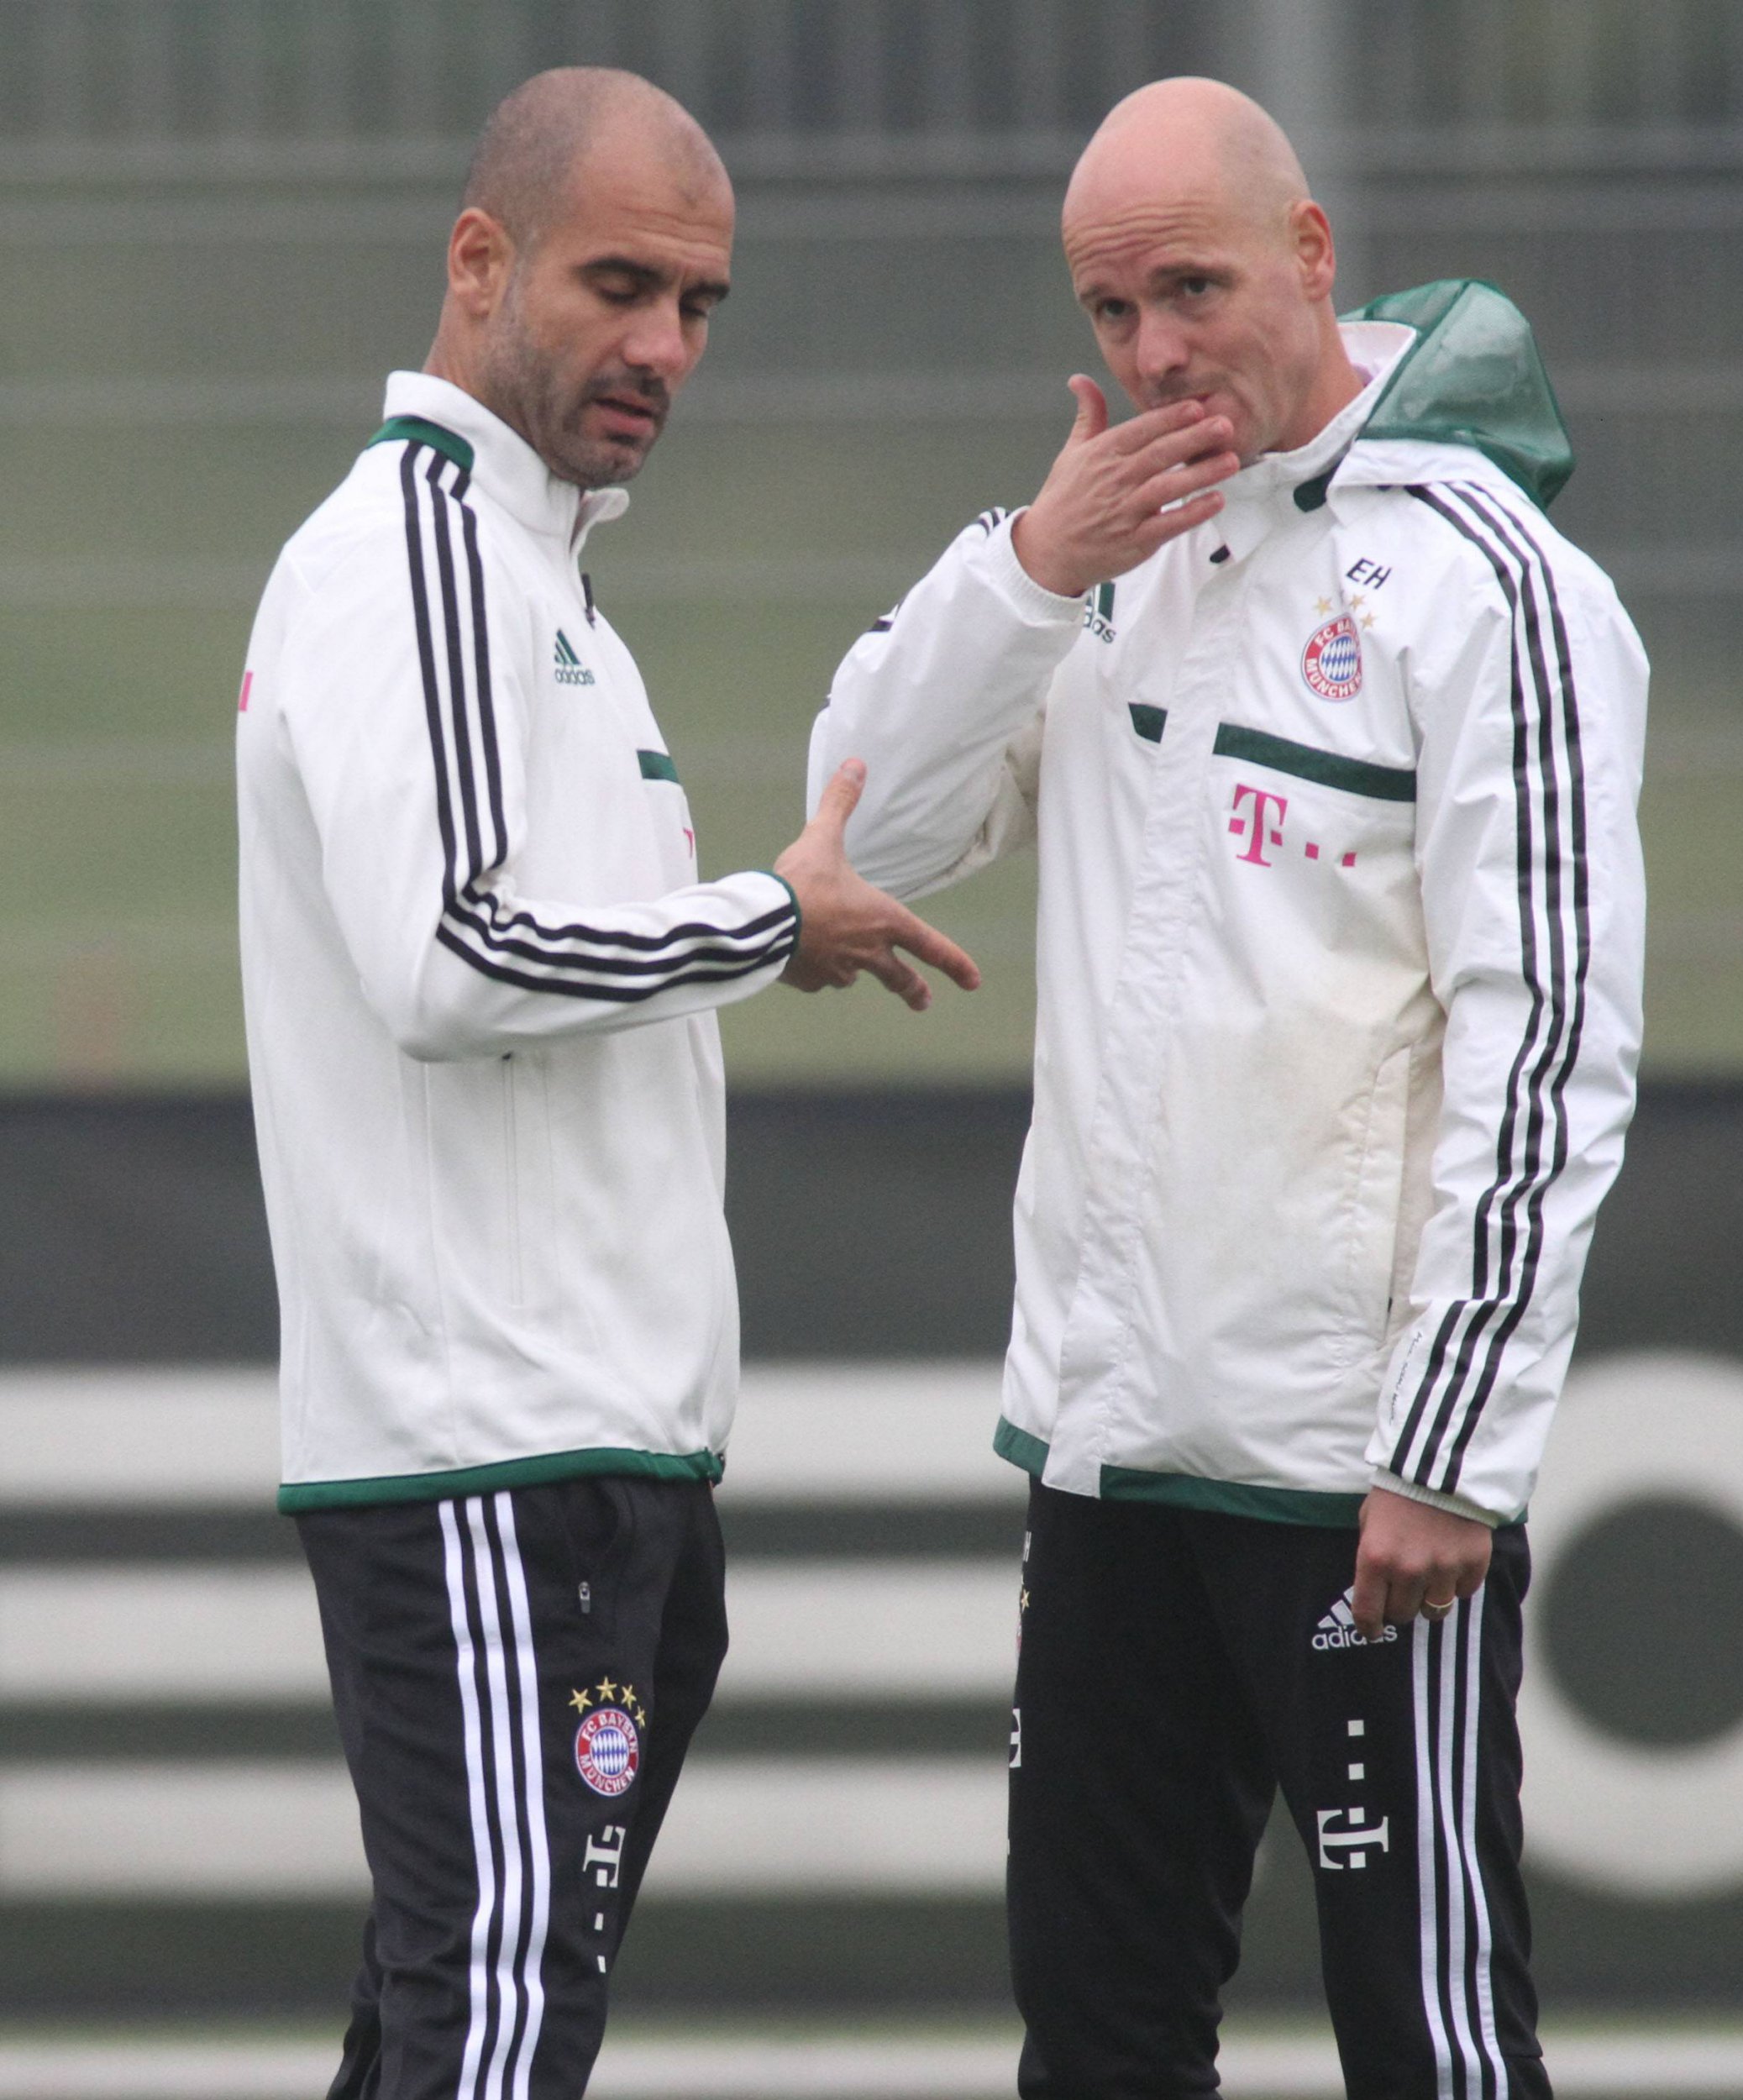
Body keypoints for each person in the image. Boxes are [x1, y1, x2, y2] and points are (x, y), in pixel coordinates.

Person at [811, 76, 1646, 2100]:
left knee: (1433, 2038)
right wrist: (1024, 567)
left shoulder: (1496, 584)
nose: (1155, 352)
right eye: (1111, 313)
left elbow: (1546, 1040)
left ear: (1312, 255)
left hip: (1354, 1485)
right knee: (1095, 2040)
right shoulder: (1103, 549)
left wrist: (1449, 1443)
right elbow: (868, 834)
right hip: (1107, 1459)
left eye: (1191, 287)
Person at [236, 67, 977, 2100]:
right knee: (496, 2032)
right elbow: (453, 946)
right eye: (621, 282)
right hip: (484, 1454)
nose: (665, 345)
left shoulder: (542, 576)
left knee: (452, 2023)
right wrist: (769, 919)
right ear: (480, 262)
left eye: (702, 303)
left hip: (587, 1453)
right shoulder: (415, 558)